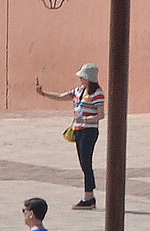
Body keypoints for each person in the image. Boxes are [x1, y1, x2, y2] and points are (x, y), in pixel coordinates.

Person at [36, 63, 104, 209]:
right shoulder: (78, 91)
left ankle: (88, 197)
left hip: (89, 131)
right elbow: (62, 97)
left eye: (83, 77)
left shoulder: (97, 93)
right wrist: (44, 93)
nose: (80, 79)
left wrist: (85, 119)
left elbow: (101, 115)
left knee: (86, 163)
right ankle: (89, 196)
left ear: (89, 79)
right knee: (83, 163)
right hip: (78, 130)